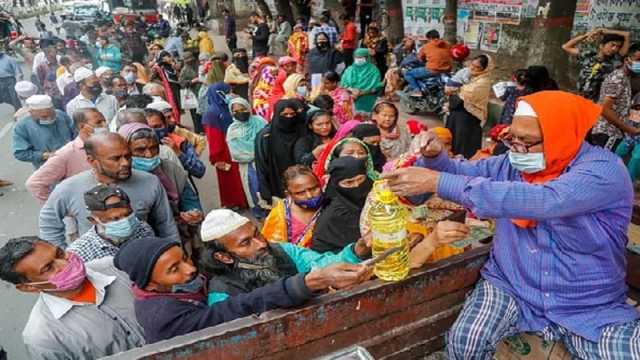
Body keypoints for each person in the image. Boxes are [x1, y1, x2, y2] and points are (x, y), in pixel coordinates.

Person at [384, 90, 640, 358]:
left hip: (588, 302)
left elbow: (546, 200)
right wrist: (436, 157)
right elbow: (461, 174)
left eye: (526, 141)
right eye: (512, 137)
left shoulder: (603, 170)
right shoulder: (513, 162)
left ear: (561, 136)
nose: (515, 148)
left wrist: (436, 181)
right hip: (512, 284)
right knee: (465, 342)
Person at [113, 235, 370, 344]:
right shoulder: (165, 316)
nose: (189, 270)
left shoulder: (281, 251)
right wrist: (305, 283)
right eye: (174, 269)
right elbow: (233, 309)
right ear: (149, 283)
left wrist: (354, 253)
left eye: (185, 259)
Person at [0, 237, 145, 359]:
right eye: (49, 268)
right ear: (29, 287)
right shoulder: (44, 337)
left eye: (60, 253)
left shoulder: (114, 267)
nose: (65, 263)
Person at [200, 208, 370, 302]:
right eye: (246, 243)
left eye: (257, 234)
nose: (261, 243)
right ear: (224, 257)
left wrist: (357, 249)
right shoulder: (222, 294)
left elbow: (323, 263)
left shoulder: (283, 250)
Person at [39, 132, 179, 247]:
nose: (125, 163)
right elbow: (49, 223)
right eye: (115, 159)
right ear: (92, 161)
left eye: (127, 156)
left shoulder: (150, 182)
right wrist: (65, 260)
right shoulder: (69, 188)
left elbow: (166, 224)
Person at [26, 108, 106, 203]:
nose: (104, 125)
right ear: (82, 126)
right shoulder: (66, 153)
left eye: (105, 121)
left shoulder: (109, 145)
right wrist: (60, 209)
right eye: (98, 123)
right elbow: (34, 184)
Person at [67, 185, 156, 262]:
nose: (125, 221)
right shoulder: (80, 253)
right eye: (116, 219)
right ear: (93, 220)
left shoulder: (143, 230)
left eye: (128, 214)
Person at [311, 156, 373, 253]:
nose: (357, 185)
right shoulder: (334, 215)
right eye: (349, 182)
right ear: (336, 185)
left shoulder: (375, 196)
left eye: (360, 179)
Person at [202, 83, 247, 209]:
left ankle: (243, 200)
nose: (230, 95)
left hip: (235, 146)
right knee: (229, 179)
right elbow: (213, 137)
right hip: (224, 151)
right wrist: (216, 157)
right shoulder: (211, 114)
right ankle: (234, 202)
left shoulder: (228, 107)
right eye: (227, 92)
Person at [255, 99, 307, 205]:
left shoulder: (302, 130)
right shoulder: (266, 135)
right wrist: (265, 192)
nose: (289, 118)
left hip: (302, 181)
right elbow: (261, 165)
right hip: (277, 182)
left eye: (292, 114)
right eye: (285, 114)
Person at [590, 43, 640, 150]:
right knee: (602, 164)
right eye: (638, 60)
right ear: (627, 60)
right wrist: (629, 129)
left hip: (613, 133)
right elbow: (605, 109)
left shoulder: (625, 78)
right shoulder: (618, 78)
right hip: (607, 133)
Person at [262, 165, 325, 247]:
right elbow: (273, 246)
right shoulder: (279, 215)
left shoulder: (331, 206)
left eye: (314, 188)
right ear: (288, 194)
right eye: (301, 193)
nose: (309, 195)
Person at [562, 28, 630, 101]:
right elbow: (566, 47)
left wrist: (605, 31)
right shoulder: (588, 55)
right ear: (601, 45)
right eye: (612, 45)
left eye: (618, 47)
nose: (614, 49)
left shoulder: (615, 60)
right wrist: (586, 35)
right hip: (580, 97)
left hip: (598, 101)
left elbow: (626, 34)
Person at [446, 54, 494, 159]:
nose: (472, 68)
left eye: (477, 67)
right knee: (452, 142)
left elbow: (464, 97)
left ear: (485, 68)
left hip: (468, 117)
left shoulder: (483, 82)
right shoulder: (470, 76)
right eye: (472, 65)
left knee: (463, 145)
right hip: (457, 114)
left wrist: (454, 93)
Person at [226, 97, 267, 216]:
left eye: (242, 109)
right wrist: (257, 152)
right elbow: (236, 154)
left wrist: (259, 152)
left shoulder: (260, 121)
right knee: (254, 189)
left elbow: (268, 141)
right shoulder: (232, 130)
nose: (240, 113)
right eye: (236, 111)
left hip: (265, 163)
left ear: (248, 108)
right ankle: (260, 216)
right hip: (248, 167)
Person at [12, 95, 75, 169]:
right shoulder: (22, 127)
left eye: (52, 115)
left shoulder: (60, 115)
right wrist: (46, 155)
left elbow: (75, 132)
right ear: (31, 112)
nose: (50, 118)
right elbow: (20, 153)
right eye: (44, 117)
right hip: (49, 167)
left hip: (73, 160)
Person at [144, 108, 206, 178]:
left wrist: (178, 153)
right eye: (148, 128)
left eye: (157, 126)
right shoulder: (138, 150)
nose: (153, 131)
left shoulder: (180, 142)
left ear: (165, 125)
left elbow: (200, 171)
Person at [406, 30, 452, 96]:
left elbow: (420, 58)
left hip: (433, 70)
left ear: (429, 38)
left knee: (408, 74)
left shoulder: (426, 46)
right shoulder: (448, 45)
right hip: (447, 70)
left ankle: (417, 91)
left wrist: (424, 60)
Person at [340, 48, 382, 113]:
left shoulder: (374, 70)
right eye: (356, 57)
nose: (358, 59)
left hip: (367, 100)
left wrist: (360, 93)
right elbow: (343, 83)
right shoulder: (349, 69)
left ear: (367, 57)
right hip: (350, 99)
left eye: (361, 57)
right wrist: (351, 90)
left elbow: (376, 87)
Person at [150, 51, 181, 123]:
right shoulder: (158, 67)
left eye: (169, 56)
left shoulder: (171, 66)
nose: (168, 58)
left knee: (178, 107)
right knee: (171, 108)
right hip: (167, 90)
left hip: (176, 88)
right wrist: (163, 84)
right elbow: (152, 78)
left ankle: (178, 122)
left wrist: (175, 67)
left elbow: (178, 77)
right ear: (162, 58)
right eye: (166, 56)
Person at [615, 94, 640, 181]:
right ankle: (612, 177)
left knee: (637, 158)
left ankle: (629, 182)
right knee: (618, 153)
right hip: (630, 134)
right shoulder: (638, 96)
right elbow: (632, 115)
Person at [0, 42, 23, 110]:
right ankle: (18, 106)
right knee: (3, 97)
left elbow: (18, 71)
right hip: (0, 81)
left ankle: (18, 110)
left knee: (14, 97)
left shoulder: (9, 59)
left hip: (10, 80)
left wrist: (19, 82)